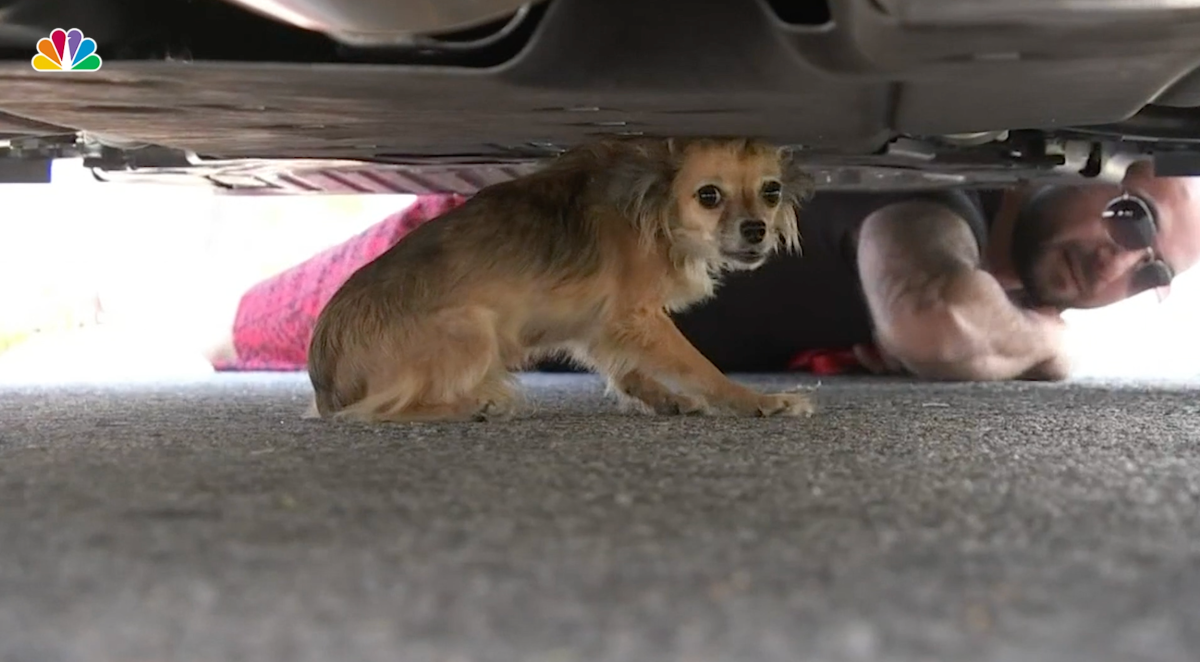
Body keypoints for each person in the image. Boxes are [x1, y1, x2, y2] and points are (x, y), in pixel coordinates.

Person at [204, 159, 1200, 381]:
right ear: (1094, 168)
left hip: (529, 347)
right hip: (467, 273)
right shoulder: (940, 201)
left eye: (1150, 275)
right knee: (241, 344)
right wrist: (1047, 349)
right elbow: (935, 319)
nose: (1119, 259)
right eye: (1132, 219)